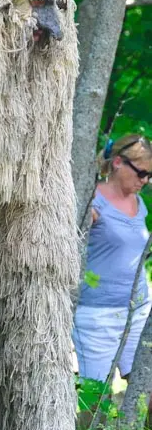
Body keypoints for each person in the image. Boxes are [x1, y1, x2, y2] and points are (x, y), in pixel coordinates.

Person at [73, 135, 152, 390]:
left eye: (150, 175)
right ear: (118, 162)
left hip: (138, 310)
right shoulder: (91, 199)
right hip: (98, 316)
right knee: (96, 395)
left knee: (145, 387)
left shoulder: (139, 203)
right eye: (141, 173)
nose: (145, 181)